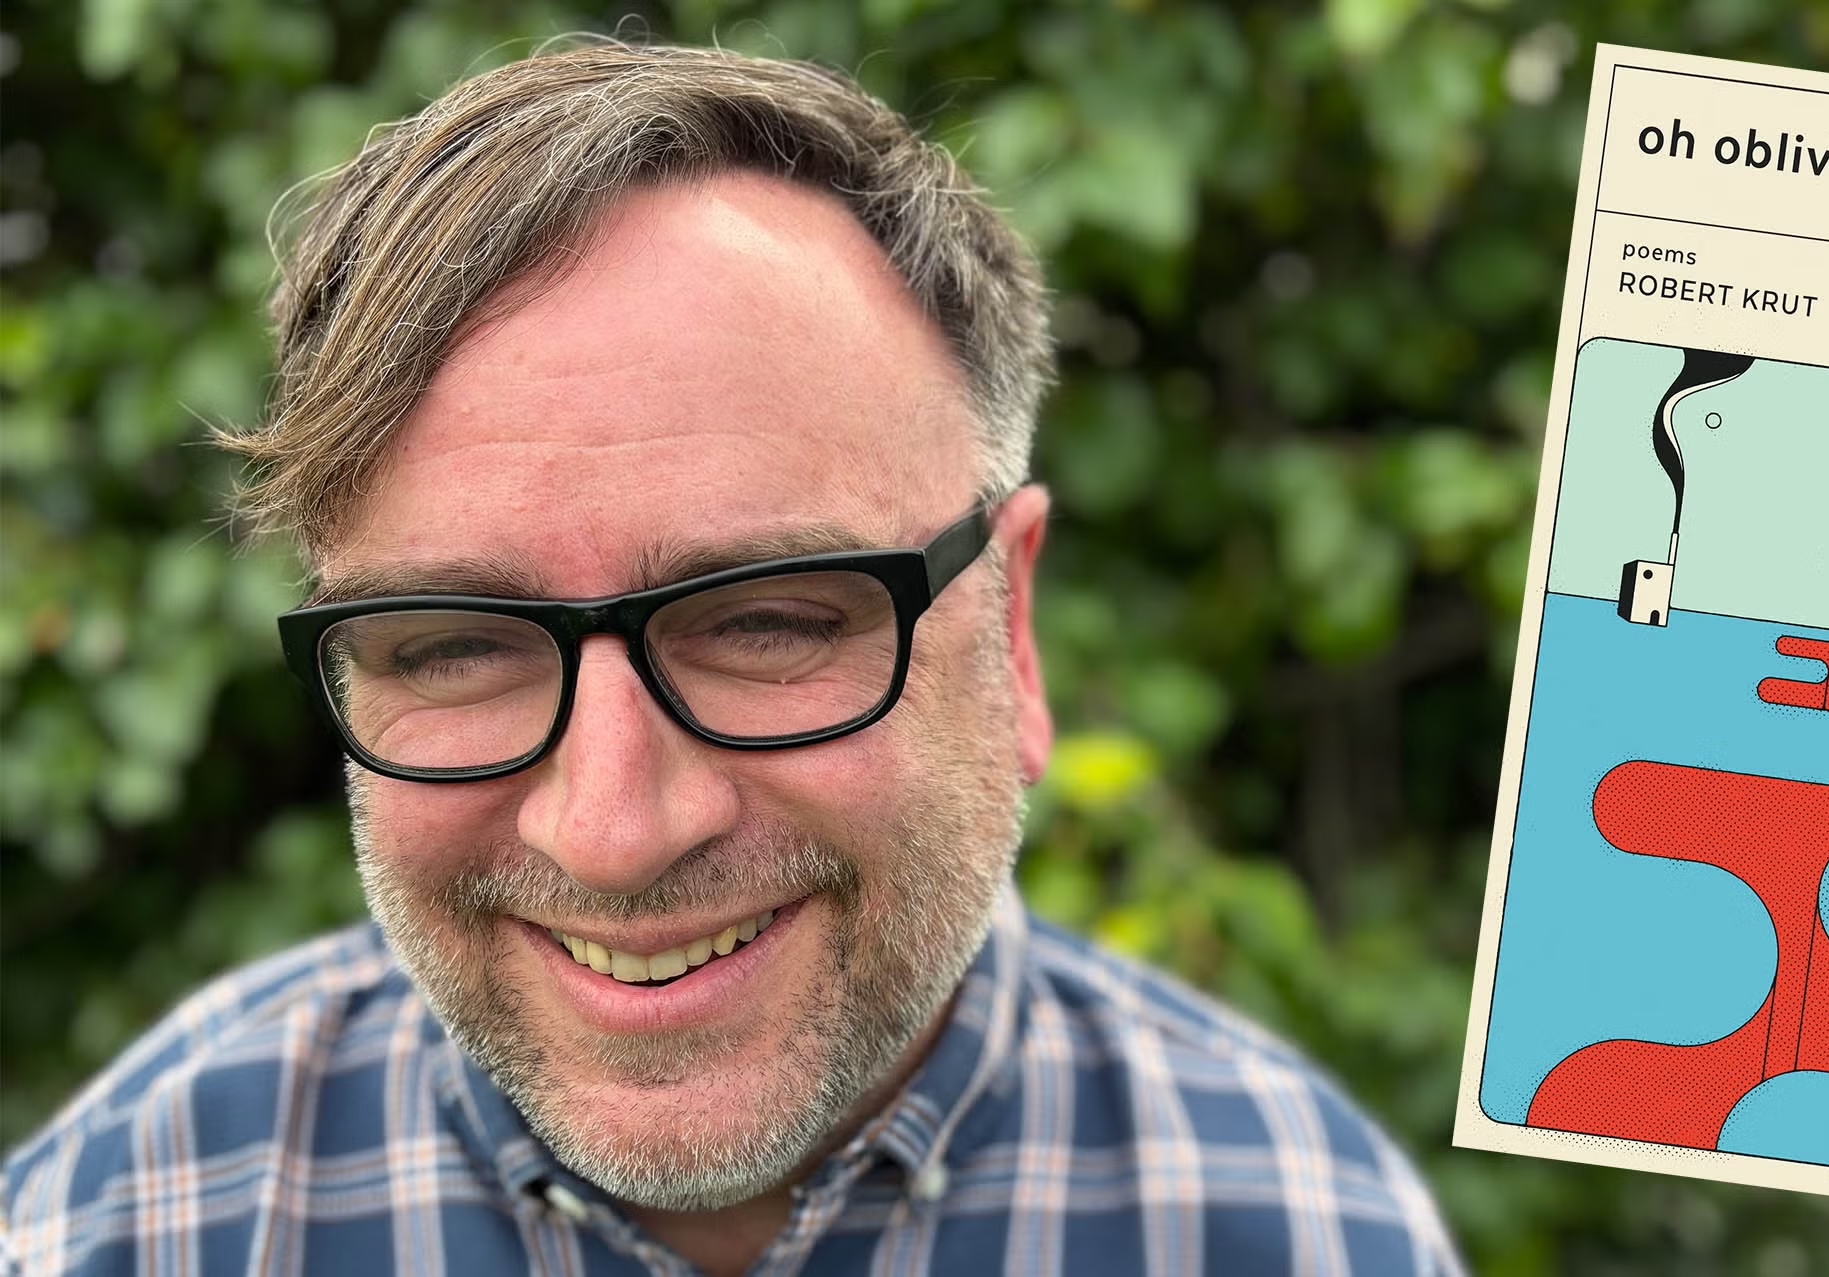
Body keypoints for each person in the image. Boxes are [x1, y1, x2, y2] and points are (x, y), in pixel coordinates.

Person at [1, 41, 1461, 1277]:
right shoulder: (128, 1219)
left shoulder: (1305, 1224)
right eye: (454, 645)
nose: (618, 828)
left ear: (1008, 626)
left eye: (766, 622)